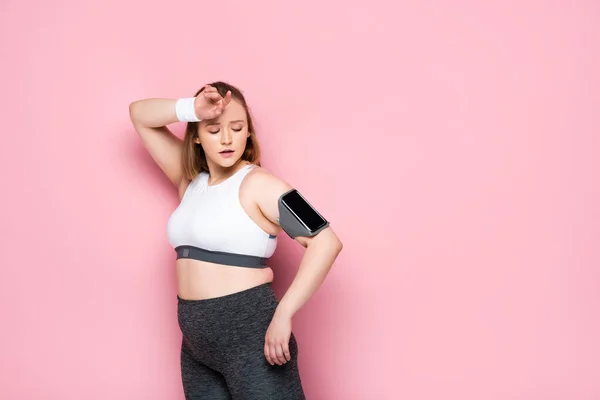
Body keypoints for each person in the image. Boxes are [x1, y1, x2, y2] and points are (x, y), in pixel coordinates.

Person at [128, 81, 343, 399]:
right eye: (213, 129)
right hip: (196, 343)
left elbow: (326, 241)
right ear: (197, 136)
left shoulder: (262, 184)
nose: (227, 139)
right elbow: (139, 114)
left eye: (237, 127)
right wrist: (193, 109)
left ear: (248, 133)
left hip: (252, 335)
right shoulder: (190, 182)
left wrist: (283, 314)